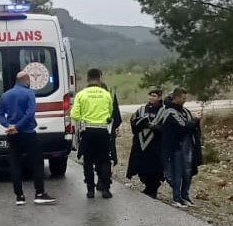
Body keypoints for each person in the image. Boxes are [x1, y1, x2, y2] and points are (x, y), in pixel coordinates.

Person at [0, 71, 56, 205]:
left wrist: (9, 125)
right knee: (37, 162)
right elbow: (30, 114)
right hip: (28, 133)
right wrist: (18, 126)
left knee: (15, 164)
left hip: (12, 135)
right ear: (27, 81)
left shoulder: (5, 95)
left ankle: (19, 197)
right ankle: (39, 193)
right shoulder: (29, 93)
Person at [70, 68, 115, 199]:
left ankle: (90, 190)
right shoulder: (106, 94)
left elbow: (74, 114)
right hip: (103, 131)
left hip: (87, 131)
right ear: (100, 78)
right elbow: (110, 112)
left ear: (87, 78)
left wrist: (84, 119)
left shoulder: (81, 94)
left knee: (88, 161)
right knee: (105, 160)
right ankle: (106, 189)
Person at [159, 87, 203, 208]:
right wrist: (195, 120)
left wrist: (195, 122)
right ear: (177, 98)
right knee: (177, 173)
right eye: (183, 98)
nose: (185, 100)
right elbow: (183, 128)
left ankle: (185, 196)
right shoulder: (169, 112)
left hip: (188, 147)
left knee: (187, 173)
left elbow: (191, 127)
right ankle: (176, 197)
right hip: (175, 148)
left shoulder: (185, 111)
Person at [126, 87, 165, 198]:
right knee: (141, 168)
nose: (152, 98)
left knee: (155, 169)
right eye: (150, 95)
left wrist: (154, 127)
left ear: (159, 97)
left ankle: (152, 189)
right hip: (141, 143)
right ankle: (148, 186)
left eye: (154, 96)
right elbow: (133, 122)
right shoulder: (142, 109)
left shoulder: (164, 111)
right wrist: (138, 123)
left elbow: (166, 128)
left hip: (155, 144)